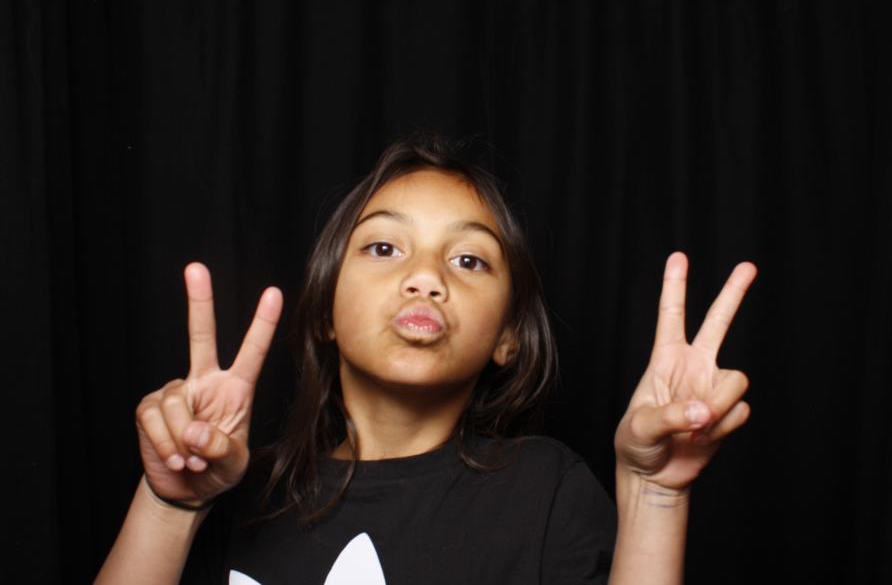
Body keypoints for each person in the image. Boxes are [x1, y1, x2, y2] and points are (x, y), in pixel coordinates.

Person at [96, 134, 757, 584]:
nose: (425, 277)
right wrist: (168, 506)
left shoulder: (547, 494)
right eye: (384, 248)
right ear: (325, 312)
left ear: (508, 338)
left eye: (469, 259)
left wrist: (654, 496)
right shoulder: (235, 491)